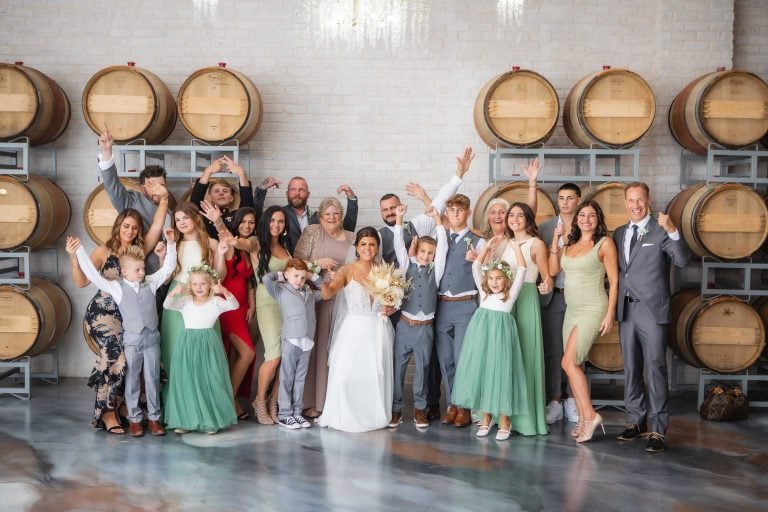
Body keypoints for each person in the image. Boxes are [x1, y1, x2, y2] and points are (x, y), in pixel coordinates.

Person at [68, 228, 178, 438]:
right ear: (124, 272)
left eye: (143, 268)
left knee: (153, 378)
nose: (142, 273)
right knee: (133, 378)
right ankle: (135, 419)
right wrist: (80, 251)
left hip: (152, 340)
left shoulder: (151, 283)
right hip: (132, 341)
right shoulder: (116, 288)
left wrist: (171, 244)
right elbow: (92, 274)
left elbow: (169, 268)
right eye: (137, 270)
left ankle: (154, 418)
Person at [614, 182, 689, 453]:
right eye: (631, 200)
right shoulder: (619, 232)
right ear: (625, 202)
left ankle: (657, 429)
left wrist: (673, 231)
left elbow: (681, 260)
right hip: (626, 310)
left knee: (655, 368)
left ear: (648, 200)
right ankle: (636, 420)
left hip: (652, 310)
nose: (635, 205)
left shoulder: (660, 230)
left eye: (640, 200)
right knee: (632, 368)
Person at [549, 200, 619, 443]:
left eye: (591, 215)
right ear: (577, 218)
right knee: (573, 364)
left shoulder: (604, 243)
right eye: (582, 215)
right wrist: (555, 241)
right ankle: (582, 418)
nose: (586, 219)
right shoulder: (570, 241)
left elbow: (614, 280)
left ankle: (590, 415)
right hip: (572, 309)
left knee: (567, 362)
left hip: (592, 308)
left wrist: (610, 313)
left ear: (598, 219)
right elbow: (553, 268)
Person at [317, 227, 396, 433]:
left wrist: (391, 307)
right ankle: (344, 415)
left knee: (373, 376)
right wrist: (320, 279)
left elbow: (393, 300)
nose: (368, 248)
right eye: (363, 244)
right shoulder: (347, 270)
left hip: (378, 329)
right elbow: (328, 294)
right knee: (345, 375)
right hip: (353, 330)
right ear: (357, 247)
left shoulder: (385, 270)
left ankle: (374, 415)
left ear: (378, 247)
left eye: (372, 244)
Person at [452, 237, 528, 441]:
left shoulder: (510, 295)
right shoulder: (484, 293)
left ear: (506, 280)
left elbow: (522, 270)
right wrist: (486, 247)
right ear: (486, 280)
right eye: (492, 278)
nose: (495, 282)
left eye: (499, 278)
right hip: (481, 337)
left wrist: (516, 248)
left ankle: (505, 420)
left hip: (501, 338)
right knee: (484, 372)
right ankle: (485, 417)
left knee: (501, 373)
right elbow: (476, 265)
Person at [293, 197, 356, 419]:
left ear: (341, 216)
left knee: (337, 350)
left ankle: (333, 402)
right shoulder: (311, 232)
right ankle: (312, 402)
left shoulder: (352, 238)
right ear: (320, 217)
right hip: (317, 299)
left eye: (336, 213)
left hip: (343, 301)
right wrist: (316, 265)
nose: (332, 217)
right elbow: (296, 264)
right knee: (316, 348)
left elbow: (357, 268)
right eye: (327, 214)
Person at [162, 266, 240, 434]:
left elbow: (234, 305)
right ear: (190, 285)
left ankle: (210, 420)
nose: (198, 287)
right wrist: (174, 291)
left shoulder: (216, 302)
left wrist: (224, 290)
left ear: (211, 284)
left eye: (203, 284)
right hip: (187, 344)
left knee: (208, 379)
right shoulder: (185, 301)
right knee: (187, 380)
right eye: (195, 284)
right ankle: (185, 421)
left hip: (208, 345)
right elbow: (167, 305)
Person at [389, 204, 446, 429]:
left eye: (430, 253)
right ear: (416, 250)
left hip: (425, 328)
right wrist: (400, 219)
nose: (426, 255)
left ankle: (420, 410)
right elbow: (398, 246)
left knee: (422, 369)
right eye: (423, 251)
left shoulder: (437, 271)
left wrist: (439, 223)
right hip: (405, 326)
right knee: (398, 369)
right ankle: (395, 410)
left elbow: (442, 252)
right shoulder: (407, 266)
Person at [160, 203, 228, 385]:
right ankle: (179, 393)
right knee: (174, 344)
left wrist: (220, 255)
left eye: (185, 217)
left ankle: (202, 392)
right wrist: (163, 256)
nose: (181, 222)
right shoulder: (174, 244)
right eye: (177, 219)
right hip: (178, 293)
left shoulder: (210, 242)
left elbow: (219, 276)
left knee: (203, 349)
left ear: (196, 218)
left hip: (202, 297)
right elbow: (166, 279)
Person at [499, 202, 551, 436]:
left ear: (528, 219)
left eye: (520, 215)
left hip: (526, 298)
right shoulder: (505, 243)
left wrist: (546, 284)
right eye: (512, 215)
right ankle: (502, 415)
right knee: (505, 356)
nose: (515, 218)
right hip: (506, 300)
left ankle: (526, 419)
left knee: (526, 354)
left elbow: (546, 276)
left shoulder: (537, 244)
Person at [435, 193, 485, 428]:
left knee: (462, 357)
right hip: (442, 305)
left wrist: (478, 261)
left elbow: (487, 275)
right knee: (446, 359)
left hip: (466, 304)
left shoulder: (478, 240)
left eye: (459, 210)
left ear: (468, 212)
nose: (455, 214)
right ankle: (453, 403)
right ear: (446, 212)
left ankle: (464, 406)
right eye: (451, 210)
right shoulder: (439, 238)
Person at [378, 146, 475, 266]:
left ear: (401, 207)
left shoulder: (416, 225)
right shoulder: (378, 236)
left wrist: (459, 174)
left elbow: (440, 203)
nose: (389, 213)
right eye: (385, 210)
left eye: (393, 208)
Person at [538, 183, 582, 425]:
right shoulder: (545, 228)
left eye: (570, 198)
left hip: (578, 297)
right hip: (554, 296)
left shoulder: (586, 225)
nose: (565, 202)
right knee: (554, 351)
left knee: (577, 350)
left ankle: (574, 400)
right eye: (561, 198)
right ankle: (554, 400)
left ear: (578, 200)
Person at [261, 259, 323, 430]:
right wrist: (281, 274)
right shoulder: (280, 290)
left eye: (302, 278)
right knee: (287, 378)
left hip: (307, 340)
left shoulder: (310, 293)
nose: (299, 280)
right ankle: (284, 414)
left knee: (300, 379)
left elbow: (325, 291)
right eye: (295, 276)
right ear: (287, 275)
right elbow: (266, 279)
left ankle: (296, 413)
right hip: (291, 339)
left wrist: (313, 276)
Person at [97, 127, 169, 272]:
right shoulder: (131, 202)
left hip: (167, 274)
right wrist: (107, 152)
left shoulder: (171, 211)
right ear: (142, 188)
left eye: (161, 185)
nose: (157, 189)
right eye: (152, 185)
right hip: (143, 271)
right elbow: (112, 186)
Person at [214, 207, 258, 420]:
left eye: (251, 222)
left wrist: (252, 305)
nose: (247, 226)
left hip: (243, 308)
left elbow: (249, 282)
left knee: (234, 355)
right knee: (248, 353)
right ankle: (227, 402)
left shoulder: (249, 247)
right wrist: (218, 222)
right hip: (228, 307)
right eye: (243, 222)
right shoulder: (230, 246)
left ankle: (231, 401)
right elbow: (227, 238)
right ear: (236, 223)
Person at [252, 205, 292, 424]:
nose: (277, 225)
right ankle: (259, 401)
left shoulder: (286, 247)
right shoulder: (257, 244)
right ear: (266, 222)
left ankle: (273, 402)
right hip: (267, 302)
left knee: (286, 357)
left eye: (281, 221)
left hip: (287, 303)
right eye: (272, 221)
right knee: (274, 356)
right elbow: (240, 242)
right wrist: (220, 226)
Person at [254, 176, 358, 253]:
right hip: (286, 267)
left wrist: (351, 199)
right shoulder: (279, 216)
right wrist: (262, 189)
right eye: (293, 190)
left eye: (301, 190)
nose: (297, 193)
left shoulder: (319, 217)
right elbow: (256, 220)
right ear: (287, 194)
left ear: (308, 194)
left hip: (316, 268)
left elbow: (346, 231)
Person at [190, 156, 254, 239]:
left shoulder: (236, 215)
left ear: (231, 198)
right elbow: (193, 205)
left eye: (225, 191)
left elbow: (247, 204)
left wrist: (241, 173)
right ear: (210, 197)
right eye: (216, 191)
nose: (221, 194)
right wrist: (207, 172)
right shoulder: (204, 215)